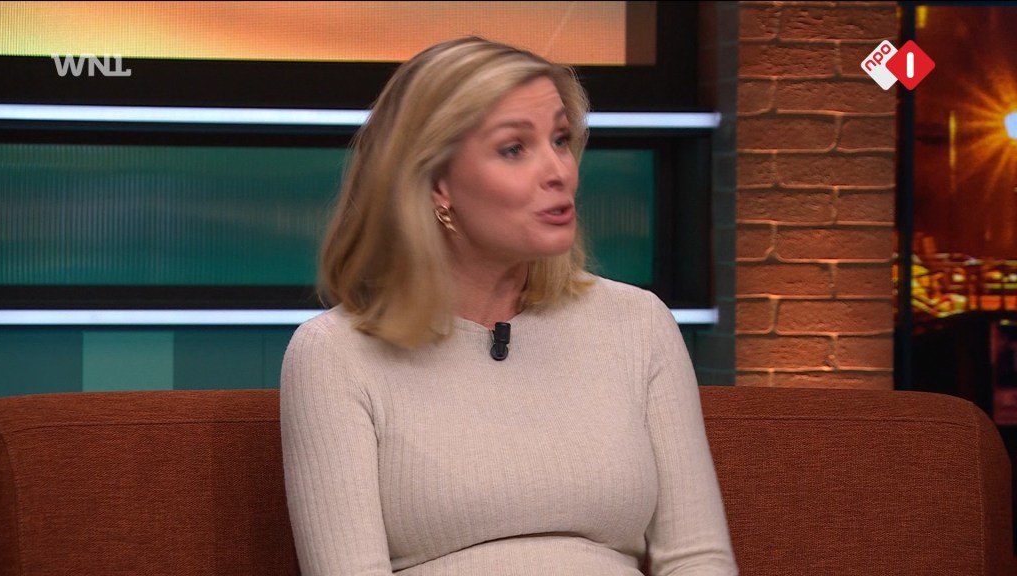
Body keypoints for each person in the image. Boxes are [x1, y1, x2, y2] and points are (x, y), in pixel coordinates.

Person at [280, 36, 738, 575]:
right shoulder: (334, 355)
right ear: (437, 183)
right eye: (514, 148)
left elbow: (697, 558)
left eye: (560, 140)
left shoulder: (638, 322)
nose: (559, 171)